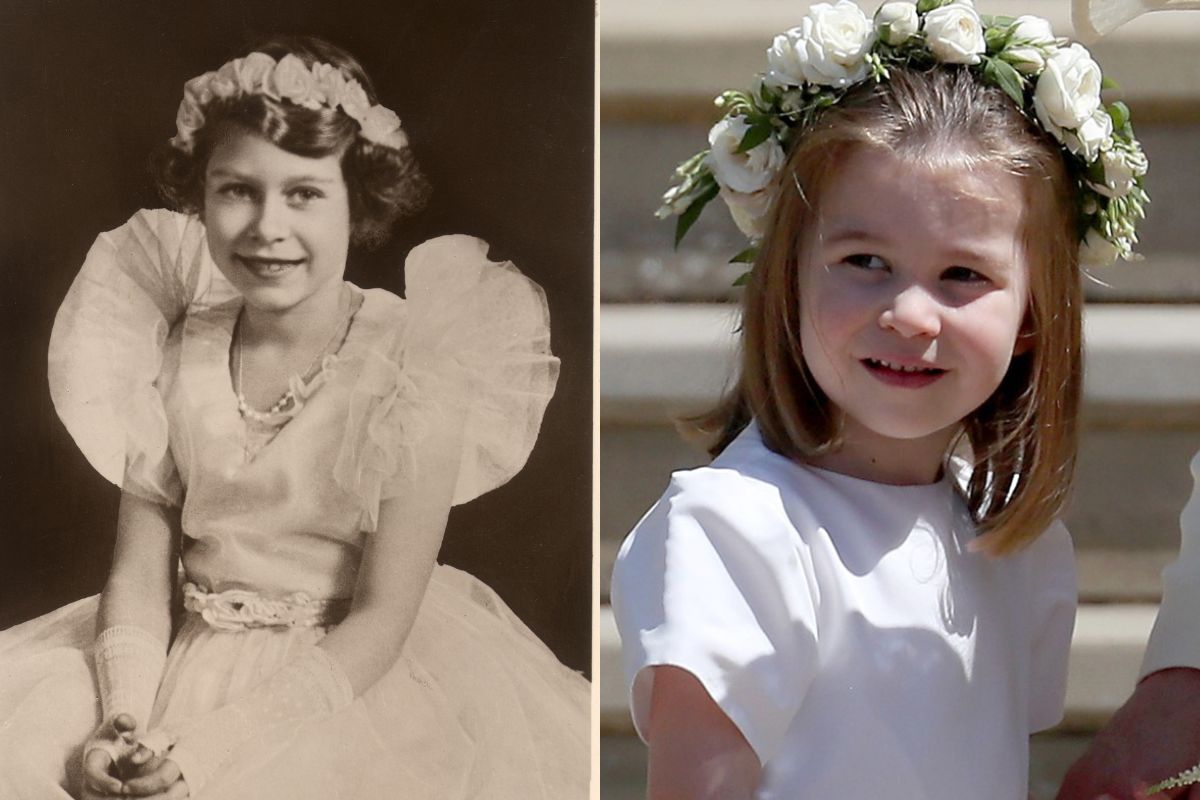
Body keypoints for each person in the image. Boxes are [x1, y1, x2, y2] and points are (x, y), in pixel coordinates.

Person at [0, 34, 588, 800]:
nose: (265, 226)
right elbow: (140, 576)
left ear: (359, 200)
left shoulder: (418, 366)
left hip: (348, 681)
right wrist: (127, 723)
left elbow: (381, 622)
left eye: (304, 193)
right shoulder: (173, 346)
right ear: (200, 198)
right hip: (177, 657)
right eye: (236, 190)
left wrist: (207, 751)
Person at [611, 2, 1149, 798]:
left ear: (1034, 317)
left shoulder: (1010, 543)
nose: (908, 313)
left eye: (962, 275)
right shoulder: (739, 532)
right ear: (789, 278)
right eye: (865, 259)